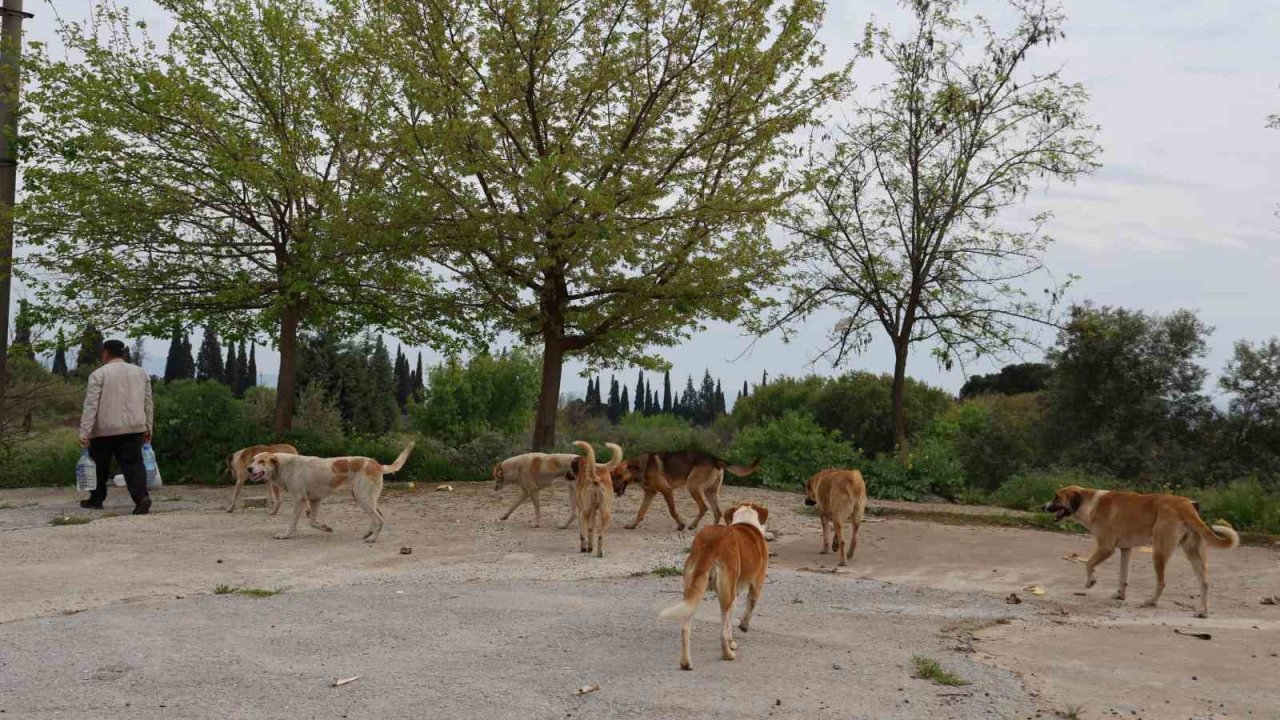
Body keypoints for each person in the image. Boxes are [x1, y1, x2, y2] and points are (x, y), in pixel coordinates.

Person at [78, 339, 154, 514]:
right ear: (124, 354)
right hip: (134, 428)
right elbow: (148, 403)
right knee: (134, 465)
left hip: (104, 429)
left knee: (100, 466)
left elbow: (91, 405)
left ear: (105, 352)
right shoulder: (141, 373)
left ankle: (96, 499)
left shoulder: (99, 374)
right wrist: (148, 427)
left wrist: (85, 432)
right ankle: (141, 497)